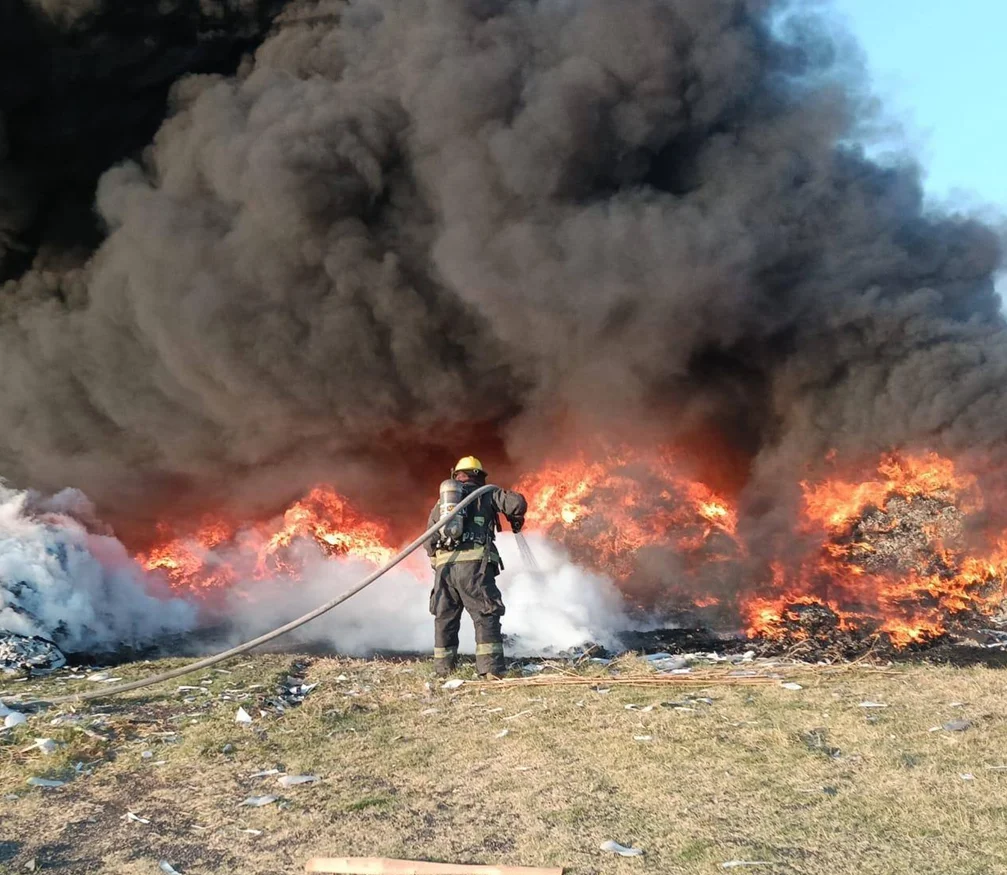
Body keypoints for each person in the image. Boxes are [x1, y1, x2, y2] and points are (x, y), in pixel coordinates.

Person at [425, 456, 527, 678]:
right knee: (485, 613)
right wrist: (515, 515)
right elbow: (517, 503)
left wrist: (438, 562)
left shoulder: (442, 505)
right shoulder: (487, 493)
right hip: (474, 569)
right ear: (479, 476)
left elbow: (429, 540)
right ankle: (491, 671)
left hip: (445, 570)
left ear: (456, 475)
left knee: (445, 618)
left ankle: (443, 671)